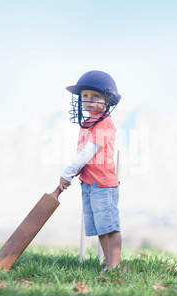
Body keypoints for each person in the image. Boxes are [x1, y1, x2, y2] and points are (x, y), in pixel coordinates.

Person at [58, 70, 122, 270]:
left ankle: (116, 264)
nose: (89, 101)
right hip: (88, 182)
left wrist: (67, 171)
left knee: (110, 227)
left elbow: (88, 152)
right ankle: (108, 262)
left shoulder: (104, 124)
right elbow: (83, 155)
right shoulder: (88, 123)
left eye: (96, 96)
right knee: (101, 228)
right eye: (85, 96)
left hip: (102, 183)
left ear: (107, 100)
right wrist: (76, 171)